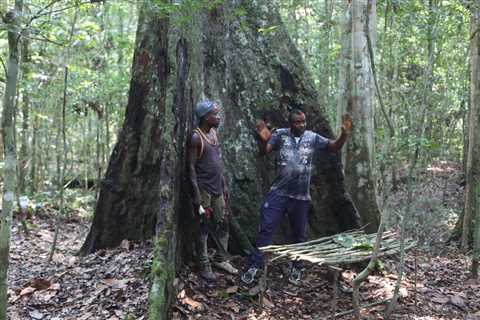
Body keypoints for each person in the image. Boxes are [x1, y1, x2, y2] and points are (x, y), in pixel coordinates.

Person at [241, 108, 352, 284]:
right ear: (290, 123)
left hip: (300, 197)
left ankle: (297, 267)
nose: (302, 125)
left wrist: (344, 134)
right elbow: (265, 151)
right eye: (297, 122)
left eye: (304, 122)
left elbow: (334, 147)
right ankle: (255, 265)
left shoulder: (312, 137)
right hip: (279, 193)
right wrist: (263, 139)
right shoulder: (280, 135)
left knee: (299, 235)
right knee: (266, 229)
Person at [188, 100, 238, 282]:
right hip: (204, 190)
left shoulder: (214, 134)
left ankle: (220, 258)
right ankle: (204, 264)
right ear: (205, 117)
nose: (218, 117)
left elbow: (217, 161)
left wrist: (224, 184)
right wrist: (196, 195)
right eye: (215, 115)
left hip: (217, 187)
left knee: (223, 222)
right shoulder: (196, 137)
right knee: (203, 227)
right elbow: (191, 168)